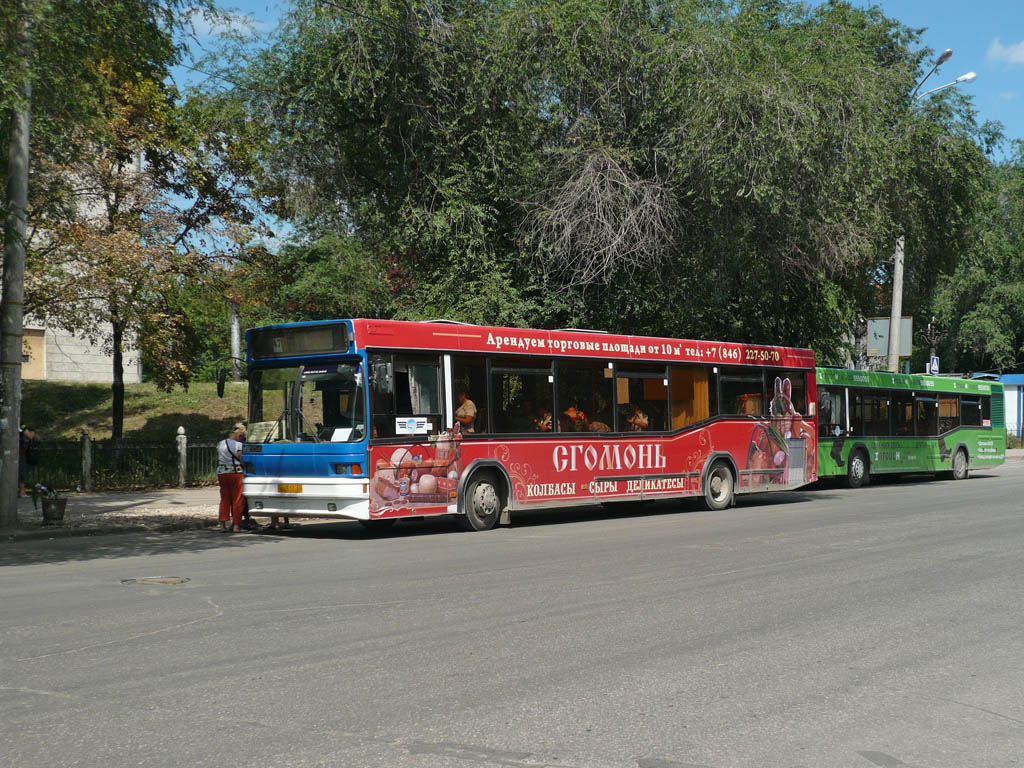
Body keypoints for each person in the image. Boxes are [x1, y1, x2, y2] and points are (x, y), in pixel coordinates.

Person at [216, 422, 247, 532]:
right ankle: (236, 525)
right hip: (235, 473)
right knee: (237, 499)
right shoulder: (238, 445)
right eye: (243, 437)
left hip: (221, 472)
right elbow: (241, 459)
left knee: (224, 499)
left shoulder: (221, 443)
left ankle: (222, 525)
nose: (243, 440)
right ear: (239, 435)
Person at [18, 425, 36, 497]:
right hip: (19, 452)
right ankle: (22, 491)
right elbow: (30, 436)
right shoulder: (20, 424)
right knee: (22, 471)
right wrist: (32, 432)